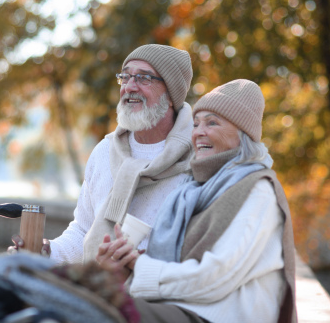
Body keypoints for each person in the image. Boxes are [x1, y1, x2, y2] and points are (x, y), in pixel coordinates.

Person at [96, 79, 297, 323]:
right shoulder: (191, 192)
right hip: (182, 309)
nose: (199, 132)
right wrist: (121, 268)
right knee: (87, 304)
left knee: (99, 312)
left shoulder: (258, 190)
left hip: (220, 317)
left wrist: (140, 269)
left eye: (212, 123)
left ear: (243, 134)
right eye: (196, 124)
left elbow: (216, 277)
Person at [13, 44, 195, 264]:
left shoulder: (196, 158)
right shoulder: (104, 152)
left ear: (171, 94)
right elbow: (83, 231)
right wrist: (48, 252)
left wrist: (140, 265)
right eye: (125, 77)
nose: (129, 87)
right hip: (97, 289)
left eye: (144, 78)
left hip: (156, 293)